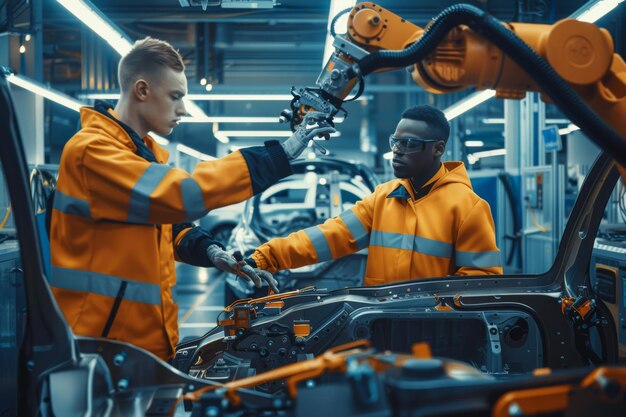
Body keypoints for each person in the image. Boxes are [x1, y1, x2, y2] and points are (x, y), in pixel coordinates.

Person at [48, 37, 335, 360]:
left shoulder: (137, 155)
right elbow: (181, 195)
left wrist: (211, 251)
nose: (183, 109)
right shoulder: (93, 152)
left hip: (136, 343)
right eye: (175, 97)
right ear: (142, 90)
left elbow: (162, 227)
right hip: (100, 345)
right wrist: (280, 154)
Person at [232, 105, 503, 286]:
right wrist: (265, 256)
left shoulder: (468, 208)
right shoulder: (384, 198)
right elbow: (328, 236)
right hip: (379, 327)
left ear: (437, 149)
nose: (397, 150)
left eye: (409, 144)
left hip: (437, 337)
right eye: (395, 142)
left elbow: (480, 282)